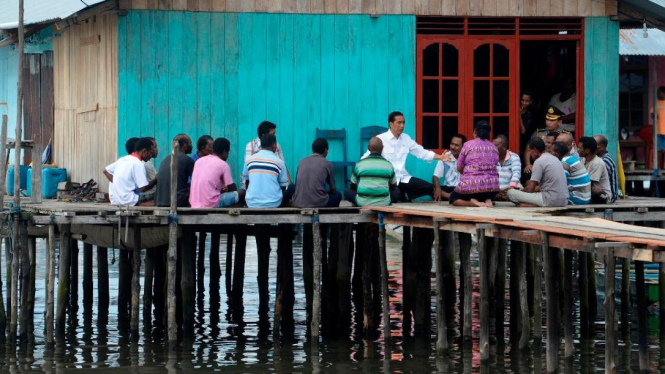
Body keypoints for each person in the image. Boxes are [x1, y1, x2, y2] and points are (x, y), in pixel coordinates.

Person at [363, 111, 448, 201]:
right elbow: (365, 159)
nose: (402, 126)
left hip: (403, 178)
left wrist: (440, 157)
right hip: (388, 181)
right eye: (399, 123)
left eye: (403, 122)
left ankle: (449, 195)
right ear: (391, 124)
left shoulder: (405, 138)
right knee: (396, 195)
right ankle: (404, 195)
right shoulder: (380, 139)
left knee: (428, 187)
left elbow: (420, 152)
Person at [449, 121, 500, 207]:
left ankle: (474, 203)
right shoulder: (494, 147)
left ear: (475, 132)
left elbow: (459, 167)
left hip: (472, 186)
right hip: (492, 188)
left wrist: (469, 175)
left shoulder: (467, 145)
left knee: (453, 199)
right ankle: (487, 199)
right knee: (482, 192)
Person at [507, 137, 568, 207]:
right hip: (563, 201)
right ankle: (531, 204)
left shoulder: (539, 161)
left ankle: (531, 204)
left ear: (535, 150)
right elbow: (538, 187)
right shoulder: (554, 158)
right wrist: (522, 191)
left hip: (549, 200)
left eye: (530, 151)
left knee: (510, 193)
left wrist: (519, 192)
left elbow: (531, 189)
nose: (530, 154)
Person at [190, 137, 245, 208]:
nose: (228, 155)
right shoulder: (223, 164)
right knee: (242, 192)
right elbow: (233, 189)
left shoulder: (198, 161)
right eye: (228, 152)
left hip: (194, 203)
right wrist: (226, 188)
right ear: (224, 151)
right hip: (211, 203)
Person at [345, 137, 399, 207]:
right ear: (382, 148)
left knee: (347, 191)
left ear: (368, 148)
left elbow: (352, 185)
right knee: (397, 191)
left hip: (362, 202)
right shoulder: (388, 165)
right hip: (383, 203)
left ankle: (357, 202)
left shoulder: (360, 164)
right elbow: (394, 185)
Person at [103, 138, 157, 206]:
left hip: (117, 199)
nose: (151, 156)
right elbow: (143, 188)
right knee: (158, 195)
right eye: (150, 153)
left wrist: (119, 185)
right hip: (129, 199)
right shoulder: (138, 164)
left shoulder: (123, 159)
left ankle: (141, 203)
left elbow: (105, 170)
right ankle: (139, 203)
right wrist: (156, 180)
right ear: (144, 151)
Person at [242, 134, 291, 208]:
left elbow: (246, 182)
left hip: (251, 203)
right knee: (292, 188)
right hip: (274, 203)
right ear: (274, 145)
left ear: (261, 145)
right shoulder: (279, 162)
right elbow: (283, 187)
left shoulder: (249, 160)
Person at [291, 138, 342, 208]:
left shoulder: (301, 161)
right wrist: (326, 192)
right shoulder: (327, 163)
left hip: (298, 203)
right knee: (338, 195)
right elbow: (333, 189)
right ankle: (330, 214)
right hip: (319, 203)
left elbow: (297, 185)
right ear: (325, 150)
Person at [524, 106, 570, 173]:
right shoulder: (538, 133)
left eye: (552, 120)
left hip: (559, 166)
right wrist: (527, 164)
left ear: (559, 122)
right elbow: (528, 148)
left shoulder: (565, 135)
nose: (548, 123)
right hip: (540, 165)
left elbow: (570, 152)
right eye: (547, 119)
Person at [155, 134, 195, 207]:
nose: (192, 146)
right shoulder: (188, 160)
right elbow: (198, 181)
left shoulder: (165, 159)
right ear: (185, 146)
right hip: (177, 200)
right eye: (190, 143)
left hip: (160, 201)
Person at [551, 141, 590, 205]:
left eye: (550, 152)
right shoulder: (572, 158)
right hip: (585, 198)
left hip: (577, 199)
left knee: (548, 196)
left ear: (557, 154)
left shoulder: (564, 162)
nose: (549, 154)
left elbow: (558, 183)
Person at [432, 134, 466, 201]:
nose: (453, 147)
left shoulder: (468, 158)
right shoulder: (445, 156)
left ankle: (451, 197)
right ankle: (453, 197)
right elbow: (435, 176)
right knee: (432, 188)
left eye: (456, 145)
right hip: (448, 189)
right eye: (452, 144)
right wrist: (438, 189)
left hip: (462, 189)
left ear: (463, 147)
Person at [579, 136, 612, 204]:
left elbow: (589, 184)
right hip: (589, 192)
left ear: (587, 150)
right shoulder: (584, 160)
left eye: (580, 148)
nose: (578, 150)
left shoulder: (597, 163)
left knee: (595, 190)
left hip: (603, 196)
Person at [594, 134, 620, 203]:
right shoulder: (597, 159)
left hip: (609, 197)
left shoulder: (605, 161)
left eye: (594, 145)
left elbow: (594, 181)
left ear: (602, 147)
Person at [138, 137, 158, 204]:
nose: (156, 150)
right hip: (148, 194)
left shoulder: (148, 162)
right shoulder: (145, 163)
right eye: (154, 147)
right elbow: (143, 188)